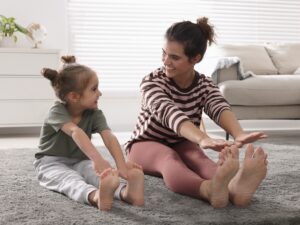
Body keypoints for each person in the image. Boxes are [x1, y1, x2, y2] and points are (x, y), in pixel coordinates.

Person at [125, 17, 268, 208]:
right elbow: (170, 113)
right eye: (164, 53)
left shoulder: (204, 84)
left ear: (196, 59)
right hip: (145, 143)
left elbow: (218, 106)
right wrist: (202, 138)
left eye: (174, 57)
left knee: (199, 159)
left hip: (181, 141)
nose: (166, 61)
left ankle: (235, 189)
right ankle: (208, 190)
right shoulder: (151, 82)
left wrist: (239, 133)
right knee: (169, 159)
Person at [34, 56, 144, 211]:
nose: (100, 93)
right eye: (94, 89)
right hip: (51, 162)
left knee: (102, 175)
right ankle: (96, 196)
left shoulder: (94, 113)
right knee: (70, 180)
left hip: (80, 160)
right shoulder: (56, 112)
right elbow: (75, 132)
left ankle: (127, 193)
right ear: (74, 96)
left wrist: (121, 166)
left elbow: (109, 137)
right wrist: (98, 159)